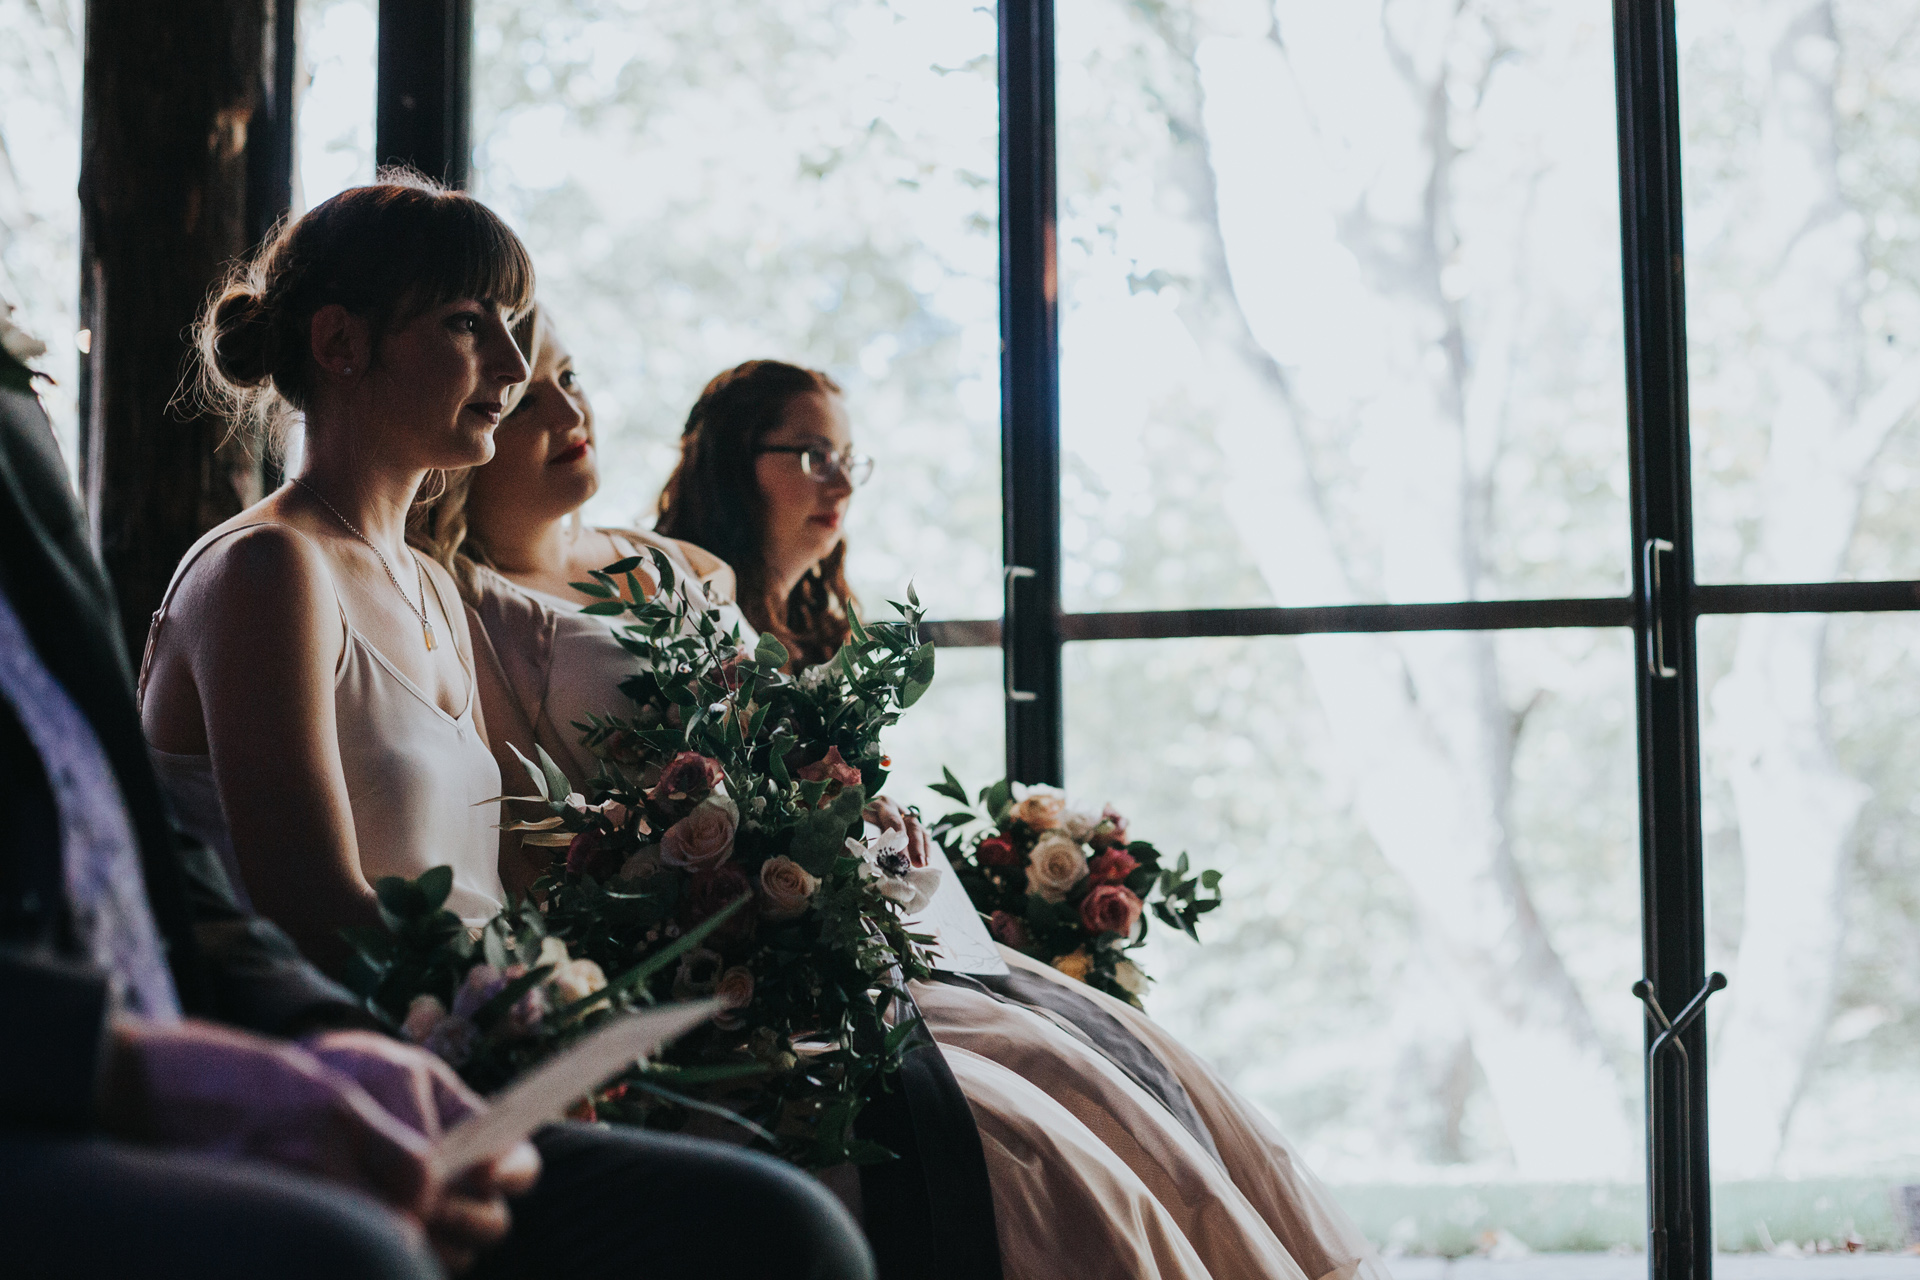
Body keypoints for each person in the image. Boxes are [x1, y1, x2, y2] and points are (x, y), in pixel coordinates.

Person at [430, 312, 1379, 1279]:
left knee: (1101, 1068)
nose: (565, 405)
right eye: (524, 390)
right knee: (1020, 1135)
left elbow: (771, 743)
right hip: (706, 935)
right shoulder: (462, 605)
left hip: (827, 909)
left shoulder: (676, 569)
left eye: (569, 374)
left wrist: (847, 825)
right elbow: (525, 825)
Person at [125, 183, 872, 1280]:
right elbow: (311, 910)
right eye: (471, 325)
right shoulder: (266, 567)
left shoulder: (430, 585)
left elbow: (493, 871)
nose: (516, 366)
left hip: (486, 1055)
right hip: (361, 1083)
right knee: (781, 1227)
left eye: (518, 328)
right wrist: (528, 1038)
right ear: (341, 341)